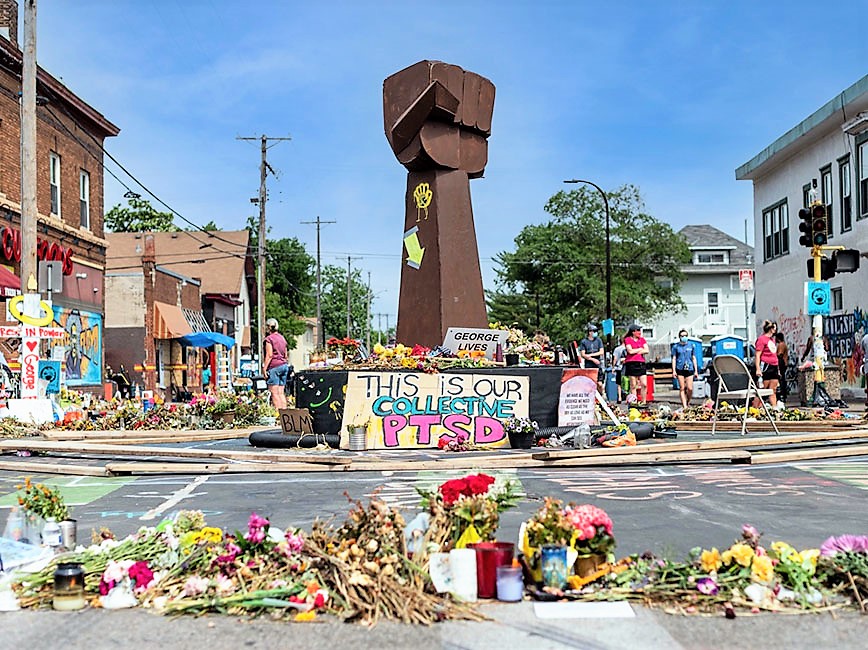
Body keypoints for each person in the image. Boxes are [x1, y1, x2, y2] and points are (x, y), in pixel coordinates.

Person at [262, 317, 290, 410]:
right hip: (284, 365)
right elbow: (286, 355)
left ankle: (279, 415)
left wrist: (264, 368)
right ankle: (285, 415)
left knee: (274, 393)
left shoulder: (269, 339)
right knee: (281, 392)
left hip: (274, 367)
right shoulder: (282, 338)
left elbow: (269, 355)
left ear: (268, 327)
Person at [754, 320, 780, 409]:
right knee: (762, 390)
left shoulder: (772, 340)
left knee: (773, 390)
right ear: (771, 329)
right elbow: (758, 355)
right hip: (766, 365)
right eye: (774, 328)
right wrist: (758, 368)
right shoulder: (762, 339)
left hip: (774, 366)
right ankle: (755, 408)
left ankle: (775, 408)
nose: (776, 330)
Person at [671, 330, 699, 409]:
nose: (684, 337)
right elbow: (674, 358)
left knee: (690, 388)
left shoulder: (691, 345)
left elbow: (693, 358)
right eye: (682, 336)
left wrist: (696, 370)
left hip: (689, 368)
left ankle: (688, 400)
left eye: (685, 335)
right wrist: (674, 371)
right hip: (680, 368)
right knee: (682, 388)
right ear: (679, 337)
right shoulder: (676, 347)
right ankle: (684, 406)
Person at [624, 324, 649, 403]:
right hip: (631, 363)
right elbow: (630, 351)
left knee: (644, 384)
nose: (639, 332)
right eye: (637, 330)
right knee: (633, 385)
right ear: (633, 332)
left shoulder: (642, 340)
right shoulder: (628, 339)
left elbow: (646, 350)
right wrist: (640, 349)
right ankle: (634, 401)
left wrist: (636, 350)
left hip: (641, 363)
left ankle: (643, 401)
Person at [579, 324, 605, 394]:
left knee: (599, 383)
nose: (595, 333)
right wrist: (592, 359)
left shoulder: (598, 340)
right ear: (590, 332)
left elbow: (601, 352)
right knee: (590, 383)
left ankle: (601, 396)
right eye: (594, 331)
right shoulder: (584, 342)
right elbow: (583, 354)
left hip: (598, 364)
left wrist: (590, 355)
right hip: (589, 365)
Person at [775, 331, 789, 402]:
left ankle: (782, 394)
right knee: (782, 379)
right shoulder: (783, 344)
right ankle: (783, 394)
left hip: (781, 363)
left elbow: (780, 354)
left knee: (781, 379)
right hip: (784, 363)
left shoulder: (781, 345)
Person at [612, 337, 627, 402]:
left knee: (619, 384)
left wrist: (613, 367)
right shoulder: (627, 348)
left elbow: (615, 359)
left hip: (618, 368)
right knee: (627, 382)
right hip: (626, 367)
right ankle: (627, 397)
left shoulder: (617, 349)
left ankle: (620, 398)